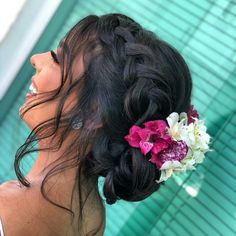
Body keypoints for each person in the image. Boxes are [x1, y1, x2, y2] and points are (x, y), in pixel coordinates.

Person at [0, 13, 210, 235]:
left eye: (57, 58)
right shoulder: (92, 218)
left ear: (94, 114)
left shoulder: (9, 208)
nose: (36, 58)